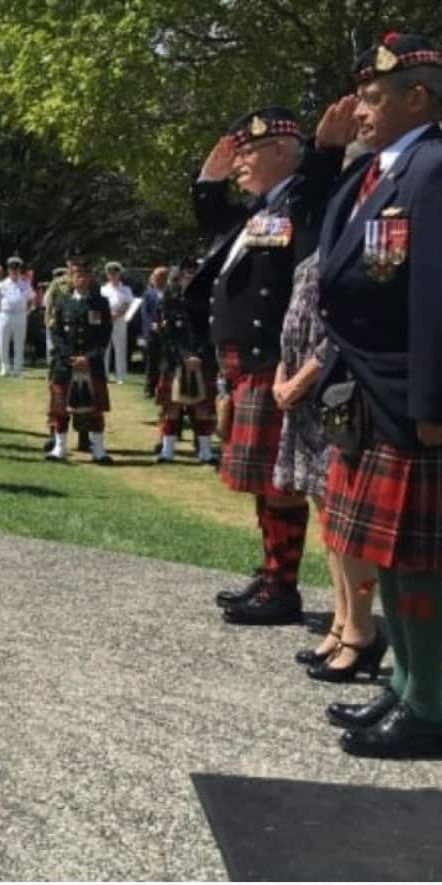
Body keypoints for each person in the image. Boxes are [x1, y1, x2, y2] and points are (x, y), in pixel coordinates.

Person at [315, 33, 442, 757]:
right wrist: (338, 159)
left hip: (407, 394)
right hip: (373, 388)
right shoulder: (387, 170)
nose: (358, 109)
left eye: (372, 97)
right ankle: (404, 682)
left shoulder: (432, 170)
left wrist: (433, 402)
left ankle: (430, 702)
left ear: (417, 98)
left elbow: (435, 297)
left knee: (420, 560)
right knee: (392, 556)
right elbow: (335, 252)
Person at [189, 101, 353, 625]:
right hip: (247, 365)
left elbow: (322, 192)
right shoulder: (258, 213)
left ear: (281, 151)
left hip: (276, 362)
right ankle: (273, 576)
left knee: (286, 483)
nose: (236, 162)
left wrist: (325, 153)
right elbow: (216, 228)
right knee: (267, 482)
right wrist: (208, 184)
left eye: (247, 152)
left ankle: (302, 593)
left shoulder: (303, 202)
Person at [275, 250, 381, 683]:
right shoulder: (328, 239)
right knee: (328, 517)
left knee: (343, 518)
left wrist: (298, 381)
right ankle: (343, 621)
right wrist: (284, 375)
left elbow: (343, 327)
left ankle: (360, 627)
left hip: (334, 390)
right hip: (307, 394)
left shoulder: (355, 242)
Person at [45, 256, 114, 464]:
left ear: (90, 277)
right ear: (71, 278)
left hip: (92, 365)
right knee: (60, 409)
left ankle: (99, 450)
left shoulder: (101, 303)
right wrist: (70, 357)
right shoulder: (62, 302)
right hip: (66, 365)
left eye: (84, 274)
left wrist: (88, 358)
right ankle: (59, 447)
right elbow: (56, 334)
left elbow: (105, 334)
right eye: (76, 275)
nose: (80, 279)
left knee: (95, 410)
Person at [154, 260, 218, 465]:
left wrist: (197, 356)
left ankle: (206, 452)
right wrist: (184, 356)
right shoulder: (169, 299)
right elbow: (166, 332)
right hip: (174, 362)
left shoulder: (208, 298)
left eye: (194, 273)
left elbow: (211, 331)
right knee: (171, 407)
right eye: (187, 273)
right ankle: (167, 451)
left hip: (201, 361)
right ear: (180, 275)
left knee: (203, 408)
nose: (190, 276)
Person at [0, 256, 32, 377]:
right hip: (5, 315)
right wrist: (2, 310)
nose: (14, 271)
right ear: (8, 270)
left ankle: (18, 369)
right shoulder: (2, 284)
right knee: (3, 341)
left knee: (19, 342)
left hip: (20, 316)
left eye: (16, 269)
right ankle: (4, 368)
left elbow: (30, 300)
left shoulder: (25, 284)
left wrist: (26, 311)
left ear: (19, 270)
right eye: (12, 269)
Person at [101, 262, 133, 384]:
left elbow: (128, 303)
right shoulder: (103, 289)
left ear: (119, 274)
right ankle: (104, 375)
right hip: (105, 321)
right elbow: (100, 305)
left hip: (120, 321)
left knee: (120, 348)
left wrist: (116, 314)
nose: (113, 275)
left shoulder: (125, 289)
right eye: (110, 273)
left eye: (115, 273)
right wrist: (108, 316)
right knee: (105, 348)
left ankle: (121, 376)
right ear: (107, 275)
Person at [140, 266, 166, 398]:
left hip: (166, 332)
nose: (158, 279)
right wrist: (152, 325)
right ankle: (149, 388)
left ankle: (162, 388)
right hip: (152, 333)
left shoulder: (169, 292)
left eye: (161, 277)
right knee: (151, 362)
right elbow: (145, 313)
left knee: (165, 362)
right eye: (156, 277)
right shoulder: (148, 294)